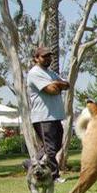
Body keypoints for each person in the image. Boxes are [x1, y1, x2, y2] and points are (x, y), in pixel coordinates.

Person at [27, 46, 70, 182]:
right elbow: (51, 90)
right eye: (44, 56)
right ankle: (53, 176)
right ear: (36, 58)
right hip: (43, 117)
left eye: (49, 56)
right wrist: (57, 85)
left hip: (55, 116)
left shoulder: (51, 73)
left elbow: (67, 85)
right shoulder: (35, 73)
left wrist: (57, 83)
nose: (48, 58)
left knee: (55, 146)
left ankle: (31, 164)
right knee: (51, 148)